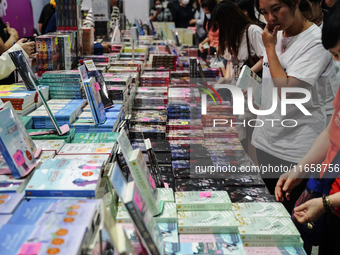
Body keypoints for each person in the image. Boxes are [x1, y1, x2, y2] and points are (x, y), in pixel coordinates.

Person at [252, 0, 338, 217]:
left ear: (296, 3)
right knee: (266, 217)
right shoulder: (276, 34)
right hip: (267, 141)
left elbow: (289, 95)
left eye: (276, 9)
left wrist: (270, 48)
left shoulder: (316, 42)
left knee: (293, 226)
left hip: (295, 150)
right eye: (263, 12)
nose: (270, 18)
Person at [277, 2, 340, 254]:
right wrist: (299, 170)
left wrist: (325, 203)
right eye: (335, 55)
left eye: (338, 54)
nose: (336, 62)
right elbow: (330, 133)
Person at [211, 0, 264, 79]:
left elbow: (266, 59)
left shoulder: (253, 31)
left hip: (251, 84)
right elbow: (230, 61)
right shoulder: (231, 35)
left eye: (221, 25)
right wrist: (227, 79)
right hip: (237, 84)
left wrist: (247, 73)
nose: (221, 29)